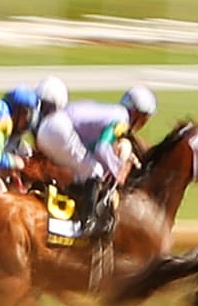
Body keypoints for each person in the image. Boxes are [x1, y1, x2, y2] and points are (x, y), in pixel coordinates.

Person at [33, 86, 156, 235]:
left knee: (82, 172)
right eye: (145, 119)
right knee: (95, 171)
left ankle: (71, 211)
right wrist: (118, 171)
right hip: (60, 129)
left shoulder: (112, 112)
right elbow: (102, 148)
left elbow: (93, 147)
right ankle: (88, 223)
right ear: (138, 114)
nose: (143, 124)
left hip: (46, 129)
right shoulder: (122, 120)